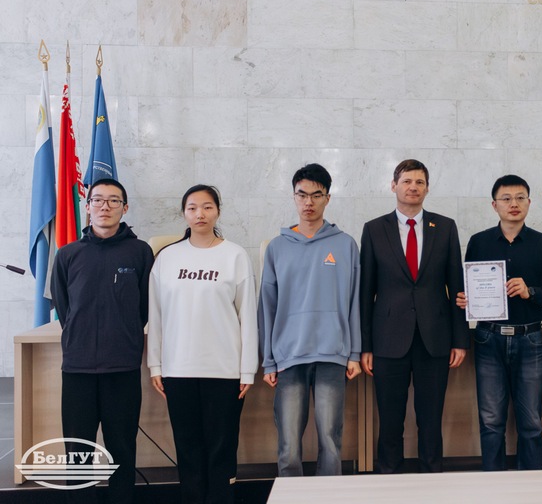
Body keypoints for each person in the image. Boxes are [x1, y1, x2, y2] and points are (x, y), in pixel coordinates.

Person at [148, 185, 258, 503]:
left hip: (225, 370)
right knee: (188, 447)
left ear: (218, 211)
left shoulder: (235, 255)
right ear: (184, 213)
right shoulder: (167, 258)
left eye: (207, 207)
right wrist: (155, 364)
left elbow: (248, 316)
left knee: (222, 447)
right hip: (178, 369)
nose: (200, 214)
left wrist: (247, 370)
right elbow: (156, 316)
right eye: (193, 207)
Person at [360, 159, 468, 473]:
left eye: (420, 182)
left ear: (427, 188)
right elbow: (365, 293)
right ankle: (388, 478)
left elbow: (457, 287)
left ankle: (433, 479)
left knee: (431, 420)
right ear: (394, 186)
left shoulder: (445, 227)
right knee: (390, 420)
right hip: (387, 340)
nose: (413, 187)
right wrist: (365, 346)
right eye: (407, 181)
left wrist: (460, 339)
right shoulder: (374, 229)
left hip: (434, 339)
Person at [51, 178, 154, 504]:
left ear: (125, 208)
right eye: (97, 200)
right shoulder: (68, 254)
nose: (104, 206)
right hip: (78, 369)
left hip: (122, 368)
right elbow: (65, 308)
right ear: (87, 206)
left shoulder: (140, 252)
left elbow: (145, 307)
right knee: (78, 452)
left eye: (113, 201)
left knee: (121, 449)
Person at [455, 175, 542, 471]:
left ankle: (531, 485)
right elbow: (466, 286)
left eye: (520, 198)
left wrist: (531, 291)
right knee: (491, 421)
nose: (513, 204)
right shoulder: (479, 242)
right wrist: (465, 299)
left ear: (529, 202)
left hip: (529, 339)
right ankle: (493, 484)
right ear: (494, 205)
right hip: (487, 338)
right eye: (506, 198)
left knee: (531, 422)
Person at [258, 164, 362, 477]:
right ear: (293, 197)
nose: (309, 202)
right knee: (289, 445)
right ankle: (292, 496)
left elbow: (355, 301)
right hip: (289, 356)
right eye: (302, 195)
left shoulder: (345, 244)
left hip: (333, 354)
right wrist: (268, 361)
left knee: (330, 441)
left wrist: (354, 353)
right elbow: (267, 307)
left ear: (327, 198)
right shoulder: (277, 247)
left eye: (317, 195)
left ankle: (329, 497)